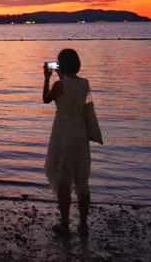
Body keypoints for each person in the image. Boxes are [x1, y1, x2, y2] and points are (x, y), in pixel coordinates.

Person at [42, 48, 92, 236]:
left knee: (63, 176)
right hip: (80, 130)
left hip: (63, 130)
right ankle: (84, 224)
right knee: (81, 179)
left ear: (61, 64)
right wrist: (62, 76)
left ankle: (65, 223)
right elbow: (72, 91)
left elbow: (46, 99)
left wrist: (47, 79)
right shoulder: (85, 83)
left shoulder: (58, 85)